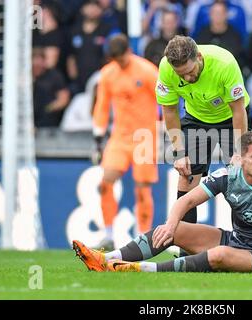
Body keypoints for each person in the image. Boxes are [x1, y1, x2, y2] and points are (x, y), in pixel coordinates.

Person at [73, 132, 252, 274]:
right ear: (240, 159)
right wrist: (169, 226)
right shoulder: (227, 176)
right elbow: (187, 200)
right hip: (236, 239)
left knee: (219, 255)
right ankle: (105, 260)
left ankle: (139, 269)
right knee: (173, 229)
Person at [156, 35, 252, 228]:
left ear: (199, 57)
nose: (187, 79)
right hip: (197, 118)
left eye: (190, 71)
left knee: (240, 179)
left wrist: (239, 152)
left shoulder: (224, 63)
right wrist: (179, 153)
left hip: (230, 118)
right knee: (186, 176)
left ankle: (245, 243)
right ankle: (186, 248)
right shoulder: (166, 68)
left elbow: (238, 110)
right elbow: (169, 110)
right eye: (181, 75)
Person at [92, 34, 160, 250]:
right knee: (105, 182)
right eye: (116, 60)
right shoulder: (108, 74)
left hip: (144, 138)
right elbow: (102, 106)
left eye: (121, 59)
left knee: (142, 189)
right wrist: (97, 138)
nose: (119, 63)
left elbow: (165, 99)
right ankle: (108, 234)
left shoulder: (148, 71)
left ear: (128, 51)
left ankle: (142, 238)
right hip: (119, 137)